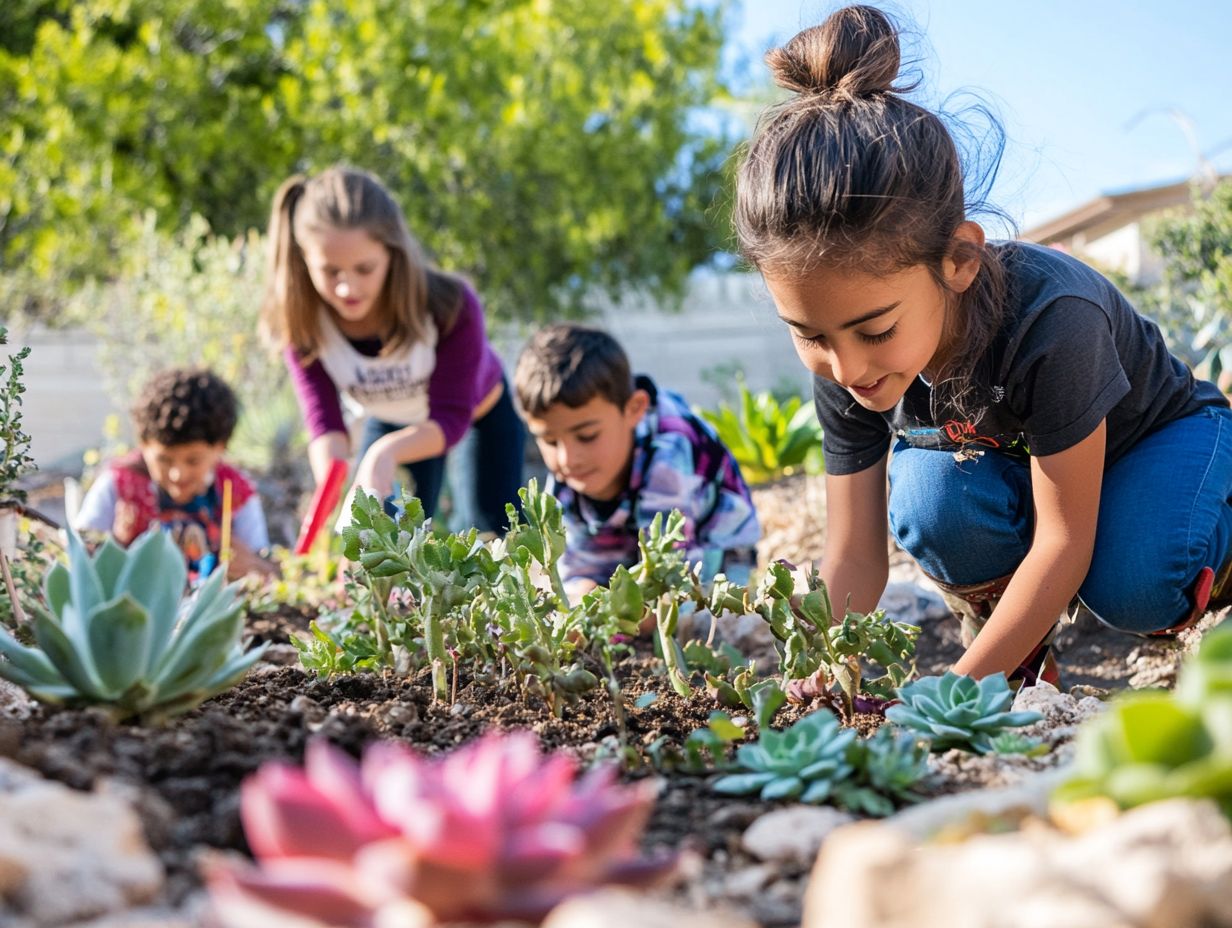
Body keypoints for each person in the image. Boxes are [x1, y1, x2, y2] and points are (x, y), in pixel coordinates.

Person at [733, 5, 1232, 686]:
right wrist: (829, 668)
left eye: (876, 330)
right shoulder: (848, 357)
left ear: (959, 260)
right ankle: (1022, 668)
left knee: (1138, 580)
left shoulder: (1055, 319)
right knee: (932, 500)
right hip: (1036, 468)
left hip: (1155, 441)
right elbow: (853, 557)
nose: (847, 367)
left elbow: (1064, 543)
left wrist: (958, 688)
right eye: (810, 336)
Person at [261, 166, 524, 533]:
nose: (346, 288)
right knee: (381, 542)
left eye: (364, 268)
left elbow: (449, 420)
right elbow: (325, 426)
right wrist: (337, 489)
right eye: (330, 271)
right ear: (304, 262)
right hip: (389, 420)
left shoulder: (450, 307)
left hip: (474, 416)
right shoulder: (303, 327)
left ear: (392, 253)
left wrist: (381, 455)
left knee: (493, 532)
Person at [513, 323, 760, 599]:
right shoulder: (570, 473)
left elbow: (674, 579)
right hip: (625, 545)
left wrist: (631, 612)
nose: (567, 458)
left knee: (704, 613)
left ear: (634, 410)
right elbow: (577, 570)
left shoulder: (669, 453)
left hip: (715, 549)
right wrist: (585, 595)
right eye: (549, 441)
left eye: (587, 436)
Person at [75, 368, 277, 581]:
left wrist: (254, 566)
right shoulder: (119, 484)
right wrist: (110, 548)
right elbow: (78, 552)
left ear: (220, 447)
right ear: (143, 444)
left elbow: (266, 566)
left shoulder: (235, 492)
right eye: (164, 460)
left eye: (193, 461)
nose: (177, 474)